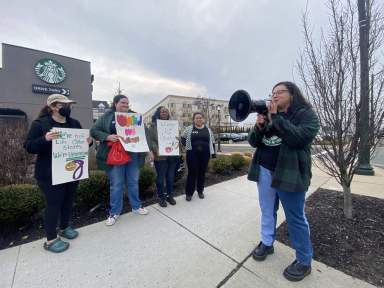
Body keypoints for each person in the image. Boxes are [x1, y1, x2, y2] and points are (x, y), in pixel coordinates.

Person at [248, 81, 319, 281]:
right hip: (264, 170)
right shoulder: (269, 115)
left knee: (295, 217)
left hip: (290, 173)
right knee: (267, 210)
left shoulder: (306, 115)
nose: (275, 96)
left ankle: (304, 261)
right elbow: (253, 141)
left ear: (293, 94)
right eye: (272, 93)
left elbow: (298, 139)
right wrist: (260, 125)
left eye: (280, 92)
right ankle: (267, 242)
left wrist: (276, 118)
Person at [24, 94, 91, 253]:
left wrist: (88, 142)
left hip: (72, 171)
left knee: (68, 201)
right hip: (49, 174)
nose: (69, 107)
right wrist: (45, 139)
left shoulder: (75, 123)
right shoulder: (40, 124)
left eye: (70, 105)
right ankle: (51, 239)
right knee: (54, 204)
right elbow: (28, 146)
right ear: (53, 107)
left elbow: (81, 146)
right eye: (64, 104)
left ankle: (64, 227)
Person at [90, 94, 148, 226]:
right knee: (117, 184)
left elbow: (143, 132)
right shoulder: (107, 116)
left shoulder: (134, 116)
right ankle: (114, 212)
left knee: (133, 181)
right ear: (115, 103)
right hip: (115, 154)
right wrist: (107, 136)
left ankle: (136, 206)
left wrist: (148, 148)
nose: (126, 105)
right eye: (123, 103)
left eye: (127, 103)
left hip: (132, 154)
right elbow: (94, 130)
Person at [147, 106, 178, 207]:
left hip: (172, 155)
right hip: (161, 156)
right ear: (158, 113)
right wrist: (157, 150)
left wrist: (177, 141)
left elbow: (176, 138)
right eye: (162, 112)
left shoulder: (172, 124)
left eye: (166, 111)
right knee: (160, 178)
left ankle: (170, 196)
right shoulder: (153, 125)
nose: (164, 113)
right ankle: (161, 197)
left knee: (170, 178)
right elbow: (151, 140)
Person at [181, 112, 215, 201]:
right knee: (192, 173)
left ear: (203, 119)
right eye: (197, 118)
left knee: (202, 173)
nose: (199, 119)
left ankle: (200, 191)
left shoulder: (208, 130)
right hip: (192, 155)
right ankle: (189, 193)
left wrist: (213, 154)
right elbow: (182, 138)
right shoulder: (189, 129)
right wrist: (187, 146)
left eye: (200, 118)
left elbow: (212, 142)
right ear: (194, 120)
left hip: (205, 155)